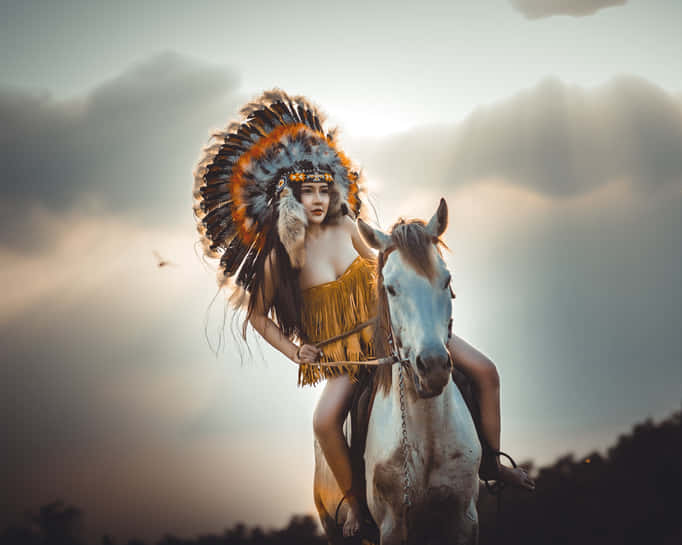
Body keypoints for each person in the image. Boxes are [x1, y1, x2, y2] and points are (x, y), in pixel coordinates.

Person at [193, 90, 534, 538]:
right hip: (348, 353)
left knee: (485, 371)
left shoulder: (351, 230)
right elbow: (257, 316)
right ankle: (354, 503)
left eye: (323, 189)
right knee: (324, 420)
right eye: (306, 191)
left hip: (397, 331)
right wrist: (295, 351)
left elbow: (385, 259)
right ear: (290, 196)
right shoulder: (282, 255)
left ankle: (490, 462)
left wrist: (417, 270)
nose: (317, 199)